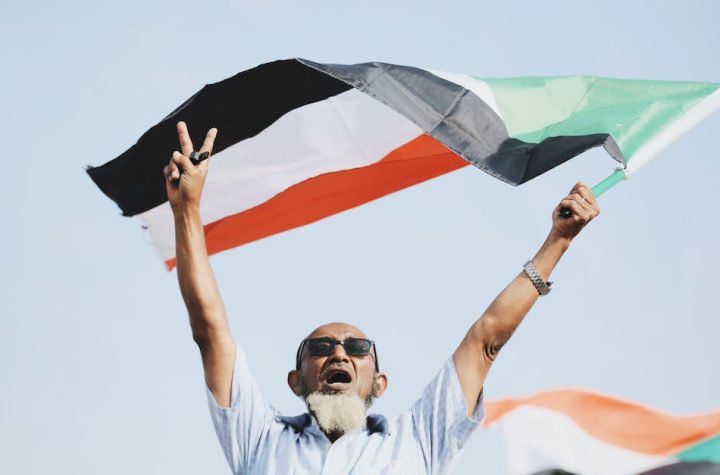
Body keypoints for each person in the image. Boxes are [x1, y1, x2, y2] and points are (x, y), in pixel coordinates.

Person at [163, 121, 601, 474]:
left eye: (356, 348)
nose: (340, 353)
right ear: (296, 381)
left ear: (379, 382)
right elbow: (210, 330)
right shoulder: (260, 439)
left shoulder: (418, 441)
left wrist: (557, 242)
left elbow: (485, 340)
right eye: (319, 348)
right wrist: (187, 211)